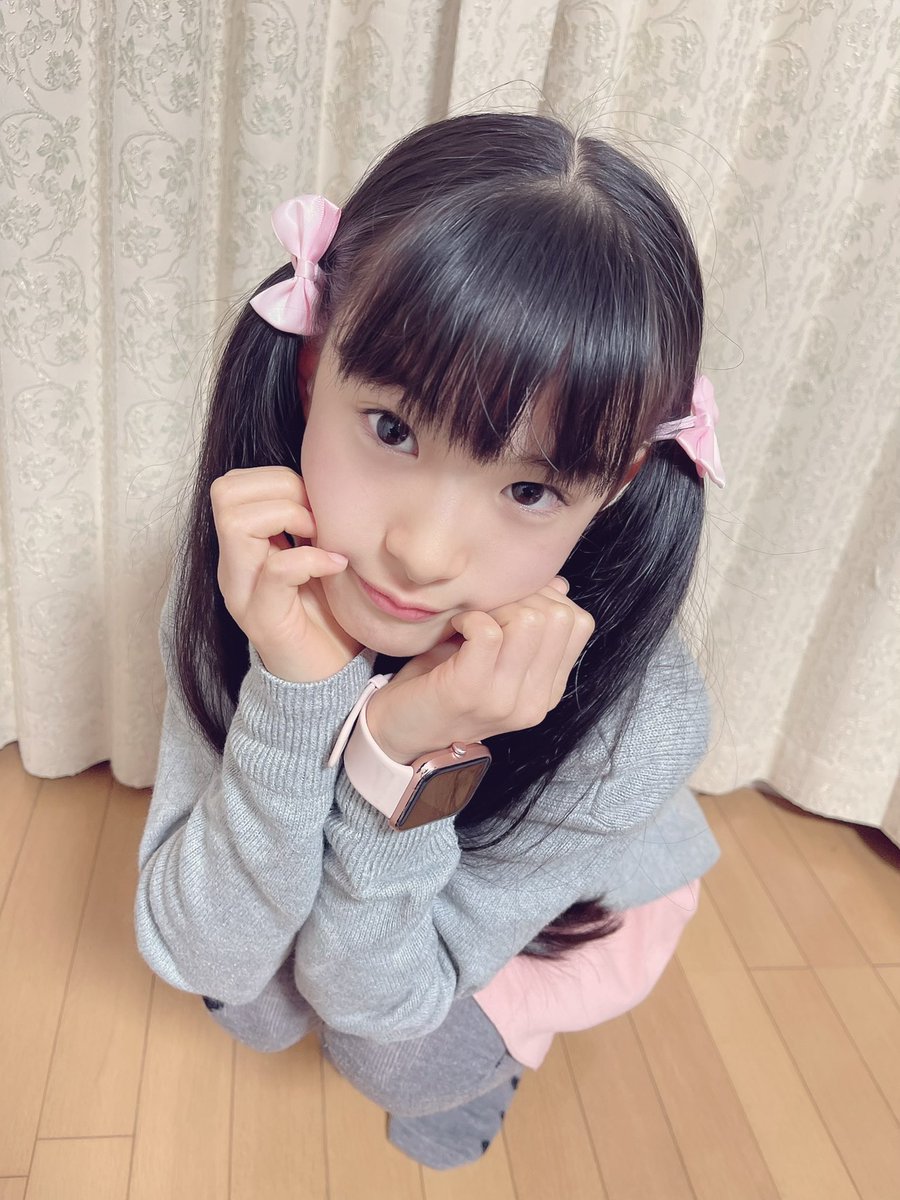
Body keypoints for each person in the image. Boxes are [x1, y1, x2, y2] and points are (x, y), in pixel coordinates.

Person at [134, 111, 724, 1171]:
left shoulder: (643, 723)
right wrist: (292, 690)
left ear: (613, 487)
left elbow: (382, 1002)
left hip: (567, 911)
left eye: (531, 489)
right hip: (366, 905)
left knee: (398, 1055)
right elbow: (198, 954)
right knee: (254, 1000)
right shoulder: (259, 561)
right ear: (313, 371)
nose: (422, 552)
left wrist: (408, 754)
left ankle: (493, 1067)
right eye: (393, 429)